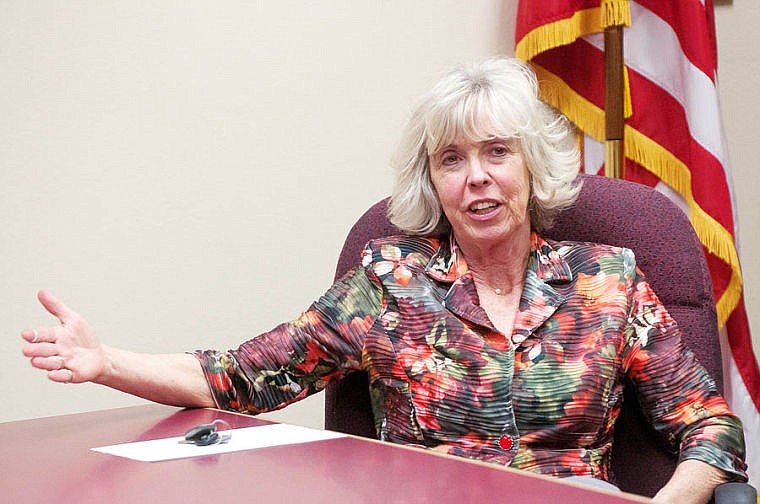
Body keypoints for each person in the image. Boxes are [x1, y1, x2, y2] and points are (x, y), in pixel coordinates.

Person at [21, 57, 746, 503]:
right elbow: (239, 378)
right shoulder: (388, 284)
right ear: (433, 180)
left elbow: (710, 426)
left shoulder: (606, 282)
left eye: (498, 152)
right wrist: (103, 361)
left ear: (532, 166)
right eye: (452, 160)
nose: (478, 179)